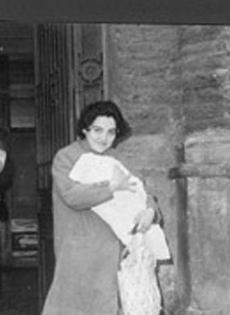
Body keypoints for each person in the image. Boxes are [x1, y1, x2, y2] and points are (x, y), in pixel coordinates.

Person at [41, 100, 160, 315]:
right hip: (78, 247)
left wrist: (150, 211)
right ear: (85, 129)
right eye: (97, 130)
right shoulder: (66, 157)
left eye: (110, 132)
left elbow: (141, 191)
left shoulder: (117, 158)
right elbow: (71, 196)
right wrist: (111, 187)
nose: (103, 138)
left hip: (112, 249)